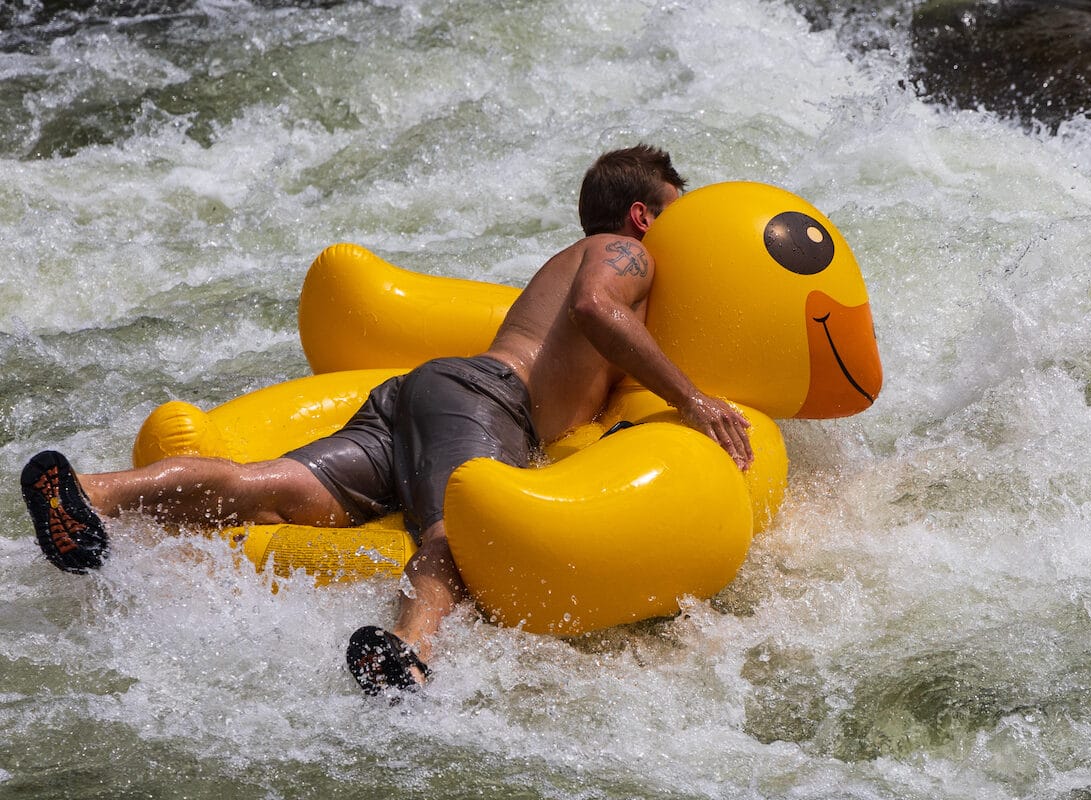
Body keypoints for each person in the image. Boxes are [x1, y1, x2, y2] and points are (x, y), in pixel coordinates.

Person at [19, 144, 753, 694]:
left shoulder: (576, 255)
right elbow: (597, 309)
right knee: (456, 531)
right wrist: (692, 399)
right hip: (484, 400)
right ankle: (413, 652)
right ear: (643, 213)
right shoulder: (623, 252)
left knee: (273, 492)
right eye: (678, 209)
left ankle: (94, 495)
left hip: (425, 399)